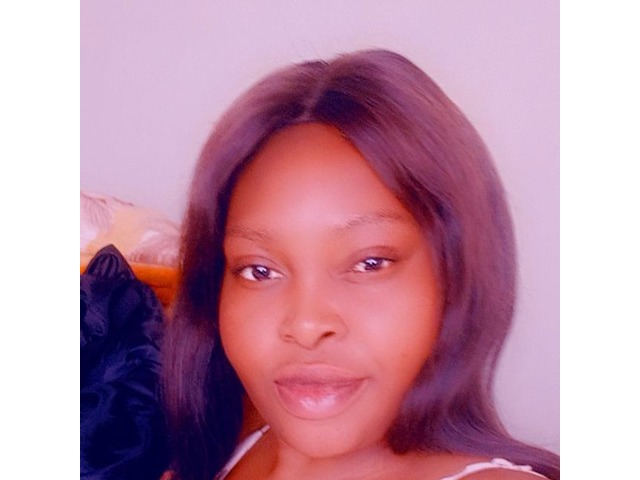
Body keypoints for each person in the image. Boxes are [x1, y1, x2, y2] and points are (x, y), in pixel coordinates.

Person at [162, 49, 560, 480]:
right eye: (259, 271)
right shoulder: (223, 448)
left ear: (456, 276)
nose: (307, 326)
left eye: (370, 263)